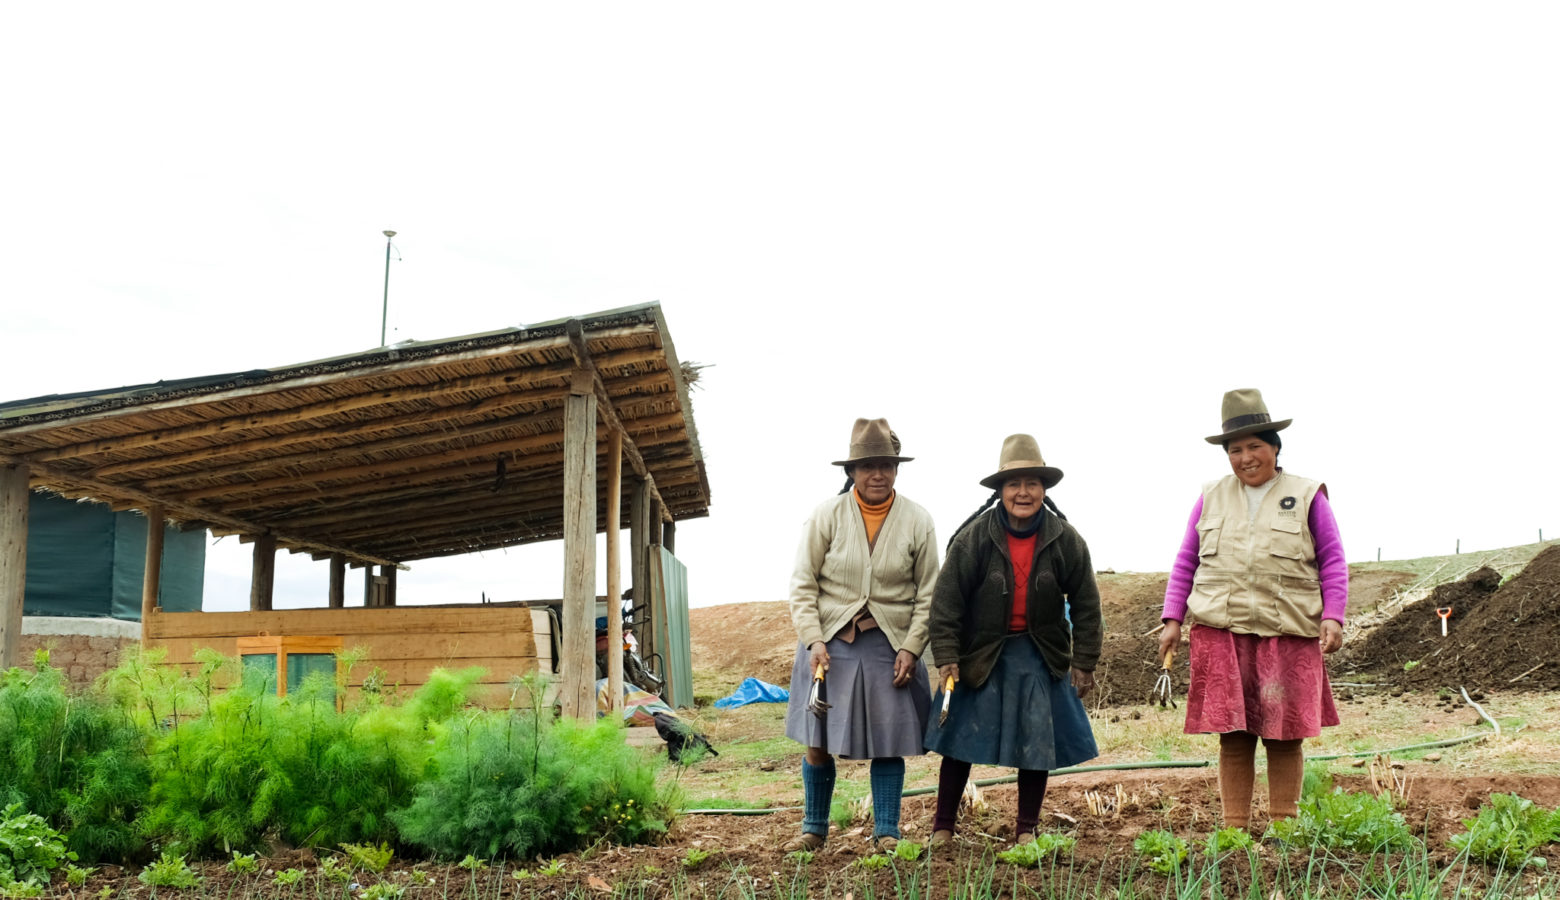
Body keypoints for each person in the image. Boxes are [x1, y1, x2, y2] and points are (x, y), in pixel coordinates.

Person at [1158, 389, 1347, 831]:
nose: (1246, 457)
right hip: (1223, 632)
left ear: (1275, 448)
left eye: (1255, 446)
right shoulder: (1210, 496)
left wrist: (1333, 614)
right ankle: (1234, 829)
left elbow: (1333, 559)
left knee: (1284, 736)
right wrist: (1172, 619)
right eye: (1236, 450)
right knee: (1234, 736)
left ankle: (1284, 825)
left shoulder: (1306, 494)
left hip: (1288, 632)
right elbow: (1187, 560)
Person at [924, 434, 1101, 847]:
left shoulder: (1066, 540)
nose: (1023, 492)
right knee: (959, 741)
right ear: (1000, 491)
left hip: (1039, 653)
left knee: (1036, 743)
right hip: (981, 652)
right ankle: (943, 828)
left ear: (1044, 489)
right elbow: (946, 602)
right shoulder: (973, 540)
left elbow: (1087, 604)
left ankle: (1026, 830)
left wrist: (1085, 660)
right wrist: (947, 656)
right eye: (1013, 484)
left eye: (1032, 483)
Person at [783, 417, 939, 853]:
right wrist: (813, 640)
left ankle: (887, 831)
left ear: (896, 470)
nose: (877, 474)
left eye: (886, 466)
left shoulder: (917, 520)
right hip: (828, 643)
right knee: (818, 739)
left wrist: (912, 645)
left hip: (890, 645)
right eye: (867, 465)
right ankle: (814, 829)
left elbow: (929, 594)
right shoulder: (826, 516)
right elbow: (802, 584)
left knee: (888, 741)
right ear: (851, 471)